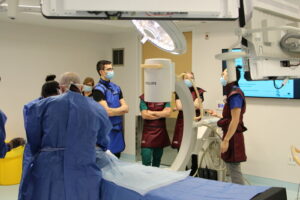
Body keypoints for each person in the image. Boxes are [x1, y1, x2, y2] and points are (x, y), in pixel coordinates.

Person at [18, 72, 112, 200]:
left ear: (60, 88)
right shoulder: (97, 109)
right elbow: (103, 142)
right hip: (84, 169)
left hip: (50, 170)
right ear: (81, 87)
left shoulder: (41, 106)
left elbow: (33, 141)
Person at [217, 66, 247, 185]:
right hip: (231, 134)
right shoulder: (232, 93)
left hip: (233, 137)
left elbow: (235, 120)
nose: (221, 77)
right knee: (231, 168)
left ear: (232, 77)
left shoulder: (235, 94)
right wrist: (219, 116)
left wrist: (226, 140)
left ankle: (242, 195)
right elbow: (231, 117)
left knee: (234, 169)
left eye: (223, 74)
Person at [171, 72, 206, 175]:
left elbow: (197, 105)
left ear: (194, 79)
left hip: (195, 120)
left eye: (190, 78)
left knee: (194, 147)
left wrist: (185, 105)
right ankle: (182, 171)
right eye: (186, 78)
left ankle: (193, 172)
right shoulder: (179, 92)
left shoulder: (198, 91)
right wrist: (192, 104)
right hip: (182, 122)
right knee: (181, 146)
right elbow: (180, 107)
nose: (188, 80)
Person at [93, 60, 129, 158]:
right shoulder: (98, 90)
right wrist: (119, 110)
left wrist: (114, 111)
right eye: (108, 69)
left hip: (117, 130)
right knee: (106, 163)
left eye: (112, 68)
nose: (111, 71)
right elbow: (107, 112)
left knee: (117, 159)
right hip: (106, 132)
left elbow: (126, 109)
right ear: (101, 72)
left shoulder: (116, 88)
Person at [139, 94, 171, 167]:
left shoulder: (164, 97)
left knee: (157, 161)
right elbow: (145, 115)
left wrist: (151, 112)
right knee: (146, 160)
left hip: (160, 131)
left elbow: (168, 113)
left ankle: (155, 177)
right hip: (148, 132)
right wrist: (161, 114)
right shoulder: (144, 97)